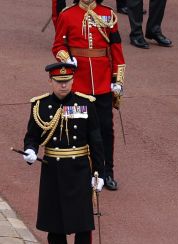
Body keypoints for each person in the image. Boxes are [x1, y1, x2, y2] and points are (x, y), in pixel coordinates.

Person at [22, 63, 106, 244]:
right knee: (55, 227)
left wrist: (100, 173)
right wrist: (29, 151)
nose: (63, 85)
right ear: (50, 82)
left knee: (82, 228)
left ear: (72, 81)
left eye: (67, 81)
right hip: (53, 172)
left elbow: (96, 141)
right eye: (59, 82)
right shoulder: (41, 105)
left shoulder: (85, 103)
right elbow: (32, 136)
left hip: (79, 171)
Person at [52, 0, 125, 191]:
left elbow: (116, 47)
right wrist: (68, 60)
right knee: (76, 127)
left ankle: (106, 172)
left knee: (105, 129)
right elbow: (58, 45)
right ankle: (76, 171)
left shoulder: (107, 14)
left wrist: (118, 79)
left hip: (102, 82)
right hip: (78, 82)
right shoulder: (67, 14)